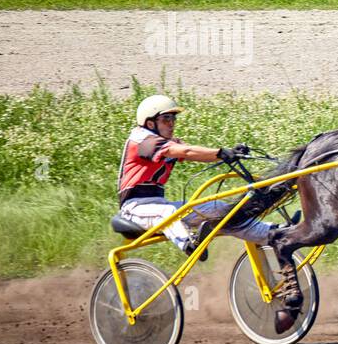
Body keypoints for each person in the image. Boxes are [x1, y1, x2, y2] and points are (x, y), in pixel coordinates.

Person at [117, 94, 276, 256]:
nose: (172, 124)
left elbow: (194, 152)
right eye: (166, 119)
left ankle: (271, 233)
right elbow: (187, 151)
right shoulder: (142, 140)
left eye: (173, 119)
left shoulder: (167, 141)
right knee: (167, 212)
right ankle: (190, 245)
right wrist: (221, 153)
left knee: (219, 207)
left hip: (160, 204)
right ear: (150, 123)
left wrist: (231, 152)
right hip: (135, 208)